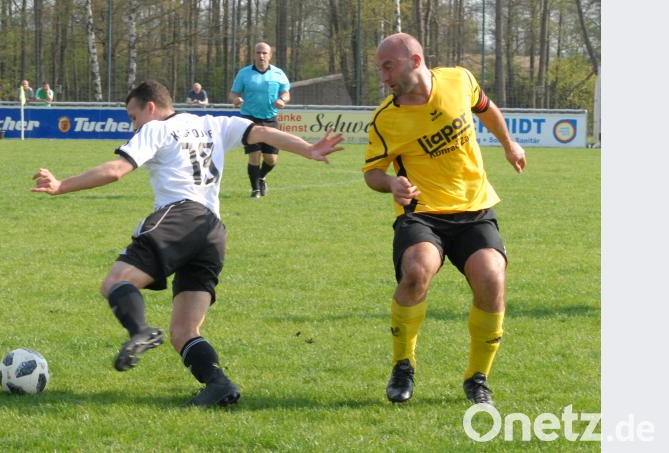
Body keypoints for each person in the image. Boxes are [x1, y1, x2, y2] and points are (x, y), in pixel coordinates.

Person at [32, 80, 343, 407]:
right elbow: (263, 133)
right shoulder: (213, 124)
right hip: (212, 230)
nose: (132, 124)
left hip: (180, 216)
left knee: (116, 282)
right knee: (184, 331)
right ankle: (218, 383)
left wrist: (61, 185)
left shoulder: (155, 130)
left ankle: (140, 331)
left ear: (150, 107)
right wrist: (307, 149)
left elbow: (115, 170)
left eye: (133, 116)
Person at [362, 33, 527, 406]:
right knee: (417, 270)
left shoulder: (459, 79)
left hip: (475, 209)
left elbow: (486, 108)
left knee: (491, 277)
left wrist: (508, 143)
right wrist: (391, 183)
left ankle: (477, 378)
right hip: (423, 214)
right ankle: (403, 365)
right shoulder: (385, 119)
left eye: (388, 66)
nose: (383, 77)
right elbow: (372, 172)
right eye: (379, 69)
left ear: (415, 60)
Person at [229, 42, 291, 198]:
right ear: (254, 54)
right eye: (258, 53)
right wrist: (236, 100)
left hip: (270, 119)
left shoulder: (278, 73)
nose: (261, 56)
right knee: (254, 154)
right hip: (250, 119)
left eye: (264, 53)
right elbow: (233, 93)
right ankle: (255, 189)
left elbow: (286, 92)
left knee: (271, 159)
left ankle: (262, 177)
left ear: (270, 55)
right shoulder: (244, 73)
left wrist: (282, 99)